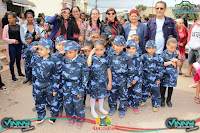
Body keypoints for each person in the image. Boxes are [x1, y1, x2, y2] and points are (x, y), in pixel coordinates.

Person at [31, 38, 59, 124]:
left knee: (52, 101)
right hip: (38, 84)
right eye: (38, 49)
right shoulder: (36, 58)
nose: (39, 51)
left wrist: (55, 89)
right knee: (39, 100)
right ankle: (41, 115)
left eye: (41, 49)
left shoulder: (53, 60)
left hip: (49, 84)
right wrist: (32, 50)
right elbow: (27, 58)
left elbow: (56, 75)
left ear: (48, 50)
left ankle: (54, 115)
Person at [61, 40, 89, 128]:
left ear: (76, 51)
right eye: (66, 52)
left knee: (78, 104)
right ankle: (71, 118)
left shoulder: (82, 61)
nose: (68, 55)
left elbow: (85, 77)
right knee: (68, 103)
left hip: (77, 87)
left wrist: (81, 91)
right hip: (66, 87)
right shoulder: (64, 60)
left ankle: (80, 119)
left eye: (70, 52)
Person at [107, 35, 132, 117]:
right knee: (112, 94)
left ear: (124, 46)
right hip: (113, 79)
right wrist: (109, 81)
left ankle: (122, 109)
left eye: (121, 46)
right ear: (113, 45)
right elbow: (108, 68)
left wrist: (129, 81)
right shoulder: (110, 55)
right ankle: (112, 107)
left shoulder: (127, 56)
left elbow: (130, 70)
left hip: (123, 80)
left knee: (123, 96)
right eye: (117, 45)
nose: (118, 47)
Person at [87, 40, 112, 118]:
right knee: (93, 96)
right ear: (94, 49)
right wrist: (91, 53)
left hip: (103, 81)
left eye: (101, 49)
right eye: (96, 49)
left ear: (104, 49)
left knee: (102, 95)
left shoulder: (106, 58)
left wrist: (110, 82)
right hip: (94, 81)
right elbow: (88, 64)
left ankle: (101, 108)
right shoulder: (92, 58)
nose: (99, 52)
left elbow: (108, 70)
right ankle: (92, 109)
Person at [140, 40, 164, 112]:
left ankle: (156, 104)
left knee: (155, 91)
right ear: (146, 49)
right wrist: (141, 77)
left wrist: (158, 79)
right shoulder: (143, 57)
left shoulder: (159, 58)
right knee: (144, 89)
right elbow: (140, 68)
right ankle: (143, 100)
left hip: (154, 77)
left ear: (155, 48)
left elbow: (160, 69)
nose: (151, 50)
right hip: (145, 76)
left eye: (153, 48)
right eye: (149, 48)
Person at [2, 12, 25, 82]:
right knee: (12, 60)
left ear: (14, 18)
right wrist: (12, 41)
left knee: (18, 59)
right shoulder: (6, 27)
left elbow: (22, 36)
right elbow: (4, 38)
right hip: (11, 45)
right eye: (8, 18)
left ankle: (20, 72)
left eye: (10, 18)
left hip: (19, 45)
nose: (9, 19)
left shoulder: (19, 26)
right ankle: (13, 76)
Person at [160, 37, 181, 107]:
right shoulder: (163, 53)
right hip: (165, 75)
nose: (173, 49)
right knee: (163, 88)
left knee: (170, 88)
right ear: (167, 45)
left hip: (172, 76)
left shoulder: (175, 54)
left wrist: (177, 60)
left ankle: (168, 100)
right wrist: (170, 62)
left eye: (174, 48)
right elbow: (161, 63)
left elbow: (179, 64)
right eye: (171, 47)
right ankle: (162, 99)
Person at [126, 40, 142, 113]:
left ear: (136, 49)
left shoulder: (138, 58)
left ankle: (136, 105)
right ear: (126, 49)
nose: (131, 50)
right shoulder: (125, 58)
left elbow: (140, 70)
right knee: (128, 92)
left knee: (137, 92)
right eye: (129, 48)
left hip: (136, 79)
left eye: (133, 48)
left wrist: (135, 79)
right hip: (128, 79)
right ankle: (129, 103)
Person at [51, 35, 66, 117]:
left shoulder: (68, 54)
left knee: (66, 96)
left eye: (63, 45)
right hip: (56, 81)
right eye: (59, 44)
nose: (61, 47)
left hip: (66, 81)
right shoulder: (53, 57)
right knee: (57, 96)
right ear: (56, 46)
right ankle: (59, 110)